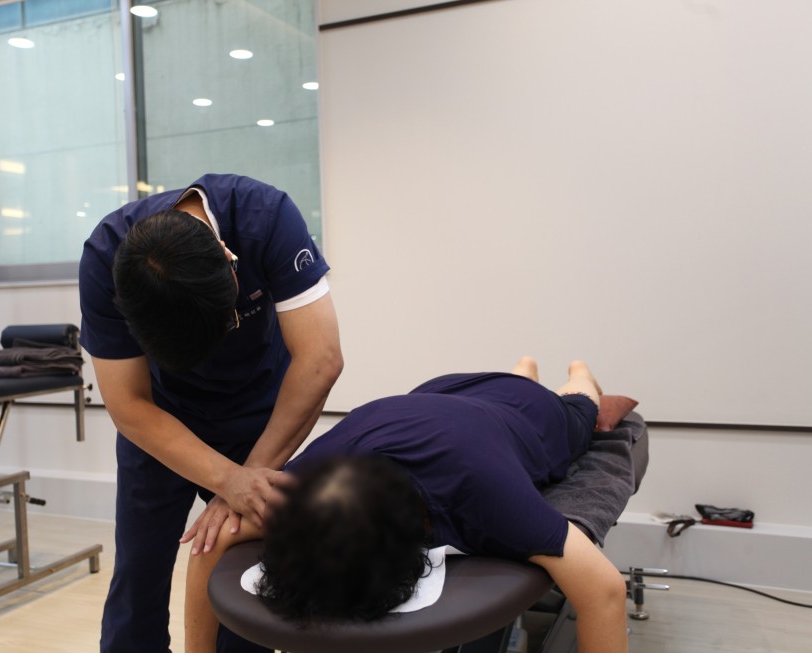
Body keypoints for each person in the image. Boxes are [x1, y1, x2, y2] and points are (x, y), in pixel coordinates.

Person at [184, 358, 628, 653]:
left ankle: (572, 371)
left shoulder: (487, 496)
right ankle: (521, 370)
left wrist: (580, 385)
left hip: (529, 412)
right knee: (510, 388)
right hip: (436, 396)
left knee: (579, 405)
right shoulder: (307, 490)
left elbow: (605, 591)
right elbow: (210, 543)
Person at [79, 174, 344, 653]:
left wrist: (247, 479)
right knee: (138, 573)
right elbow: (128, 403)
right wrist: (227, 480)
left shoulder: (267, 219)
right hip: (161, 418)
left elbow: (320, 359)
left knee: (245, 572)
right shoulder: (104, 258)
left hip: (257, 415)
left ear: (228, 256)